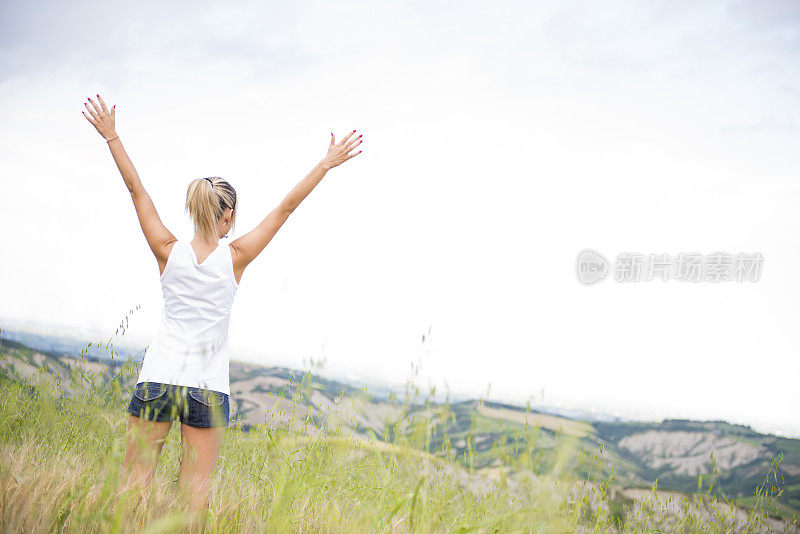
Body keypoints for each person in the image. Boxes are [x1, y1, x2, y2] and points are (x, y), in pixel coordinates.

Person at [82, 94, 363, 512]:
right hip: (207, 389)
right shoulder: (236, 258)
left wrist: (112, 136)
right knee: (193, 501)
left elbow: (135, 189)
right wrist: (325, 164)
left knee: (132, 488)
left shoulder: (166, 249)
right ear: (227, 216)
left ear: (193, 210)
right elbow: (285, 209)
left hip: (159, 377)